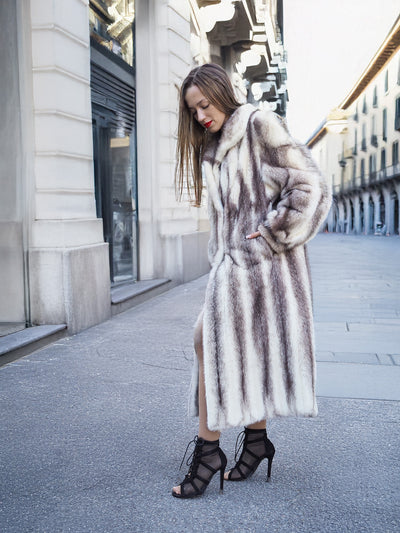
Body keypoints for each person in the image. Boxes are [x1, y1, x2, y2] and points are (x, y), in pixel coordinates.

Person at [172, 63, 332, 499]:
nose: (201, 115)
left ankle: (209, 451)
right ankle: (257, 442)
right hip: (233, 271)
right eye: (193, 110)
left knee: (209, 340)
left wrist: (270, 233)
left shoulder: (259, 124)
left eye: (205, 104)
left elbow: (310, 187)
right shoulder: (214, 148)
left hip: (263, 269)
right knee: (232, 347)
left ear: (223, 93)